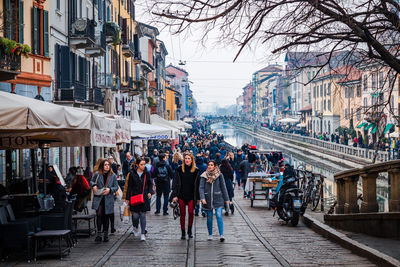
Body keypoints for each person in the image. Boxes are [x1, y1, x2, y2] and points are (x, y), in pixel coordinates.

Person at [171, 153, 200, 239]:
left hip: (191, 195)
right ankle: (183, 232)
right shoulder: (179, 169)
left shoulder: (196, 171)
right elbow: (175, 183)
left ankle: (190, 230)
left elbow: (198, 185)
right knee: (182, 214)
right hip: (181, 194)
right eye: (186, 158)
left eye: (188, 158)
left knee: (191, 212)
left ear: (192, 160)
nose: (187, 160)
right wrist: (175, 195)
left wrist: (198, 197)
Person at [199, 160, 229, 242]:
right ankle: (210, 234)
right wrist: (202, 198)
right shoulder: (204, 175)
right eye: (209, 165)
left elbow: (223, 187)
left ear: (215, 166)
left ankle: (221, 234)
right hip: (207, 200)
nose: (210, 166)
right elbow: (201, 187)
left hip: (218, 198)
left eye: (212, 165)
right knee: (209, 217)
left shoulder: (219, 175)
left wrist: (227, 199)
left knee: (219, 215)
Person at [125, 158, 154, 241]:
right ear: (137, 165)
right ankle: (135, 226)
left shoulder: (146, 174)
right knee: (135, 216)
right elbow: (129, 187)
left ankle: (142, 233)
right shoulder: (132, 174)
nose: (143, 166)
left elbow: (150, 184)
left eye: (144, 164)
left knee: (143, 215)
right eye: (141, 164)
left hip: (144, 197)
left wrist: (149, 192)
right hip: (134, 197)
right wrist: (127, 198)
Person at [90, 159, 118, 242]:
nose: (107, 166)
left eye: (108, 165)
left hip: (108, 199)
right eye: (105, 165)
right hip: (99, 198)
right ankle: (99, 234)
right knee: (99, 215)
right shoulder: (97, 174)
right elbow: (91, 181)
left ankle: (106, 235)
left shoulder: (113, 175)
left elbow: (116, 187)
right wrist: (94, 185)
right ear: (102, 166)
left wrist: (110, 190)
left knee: (106, 217)